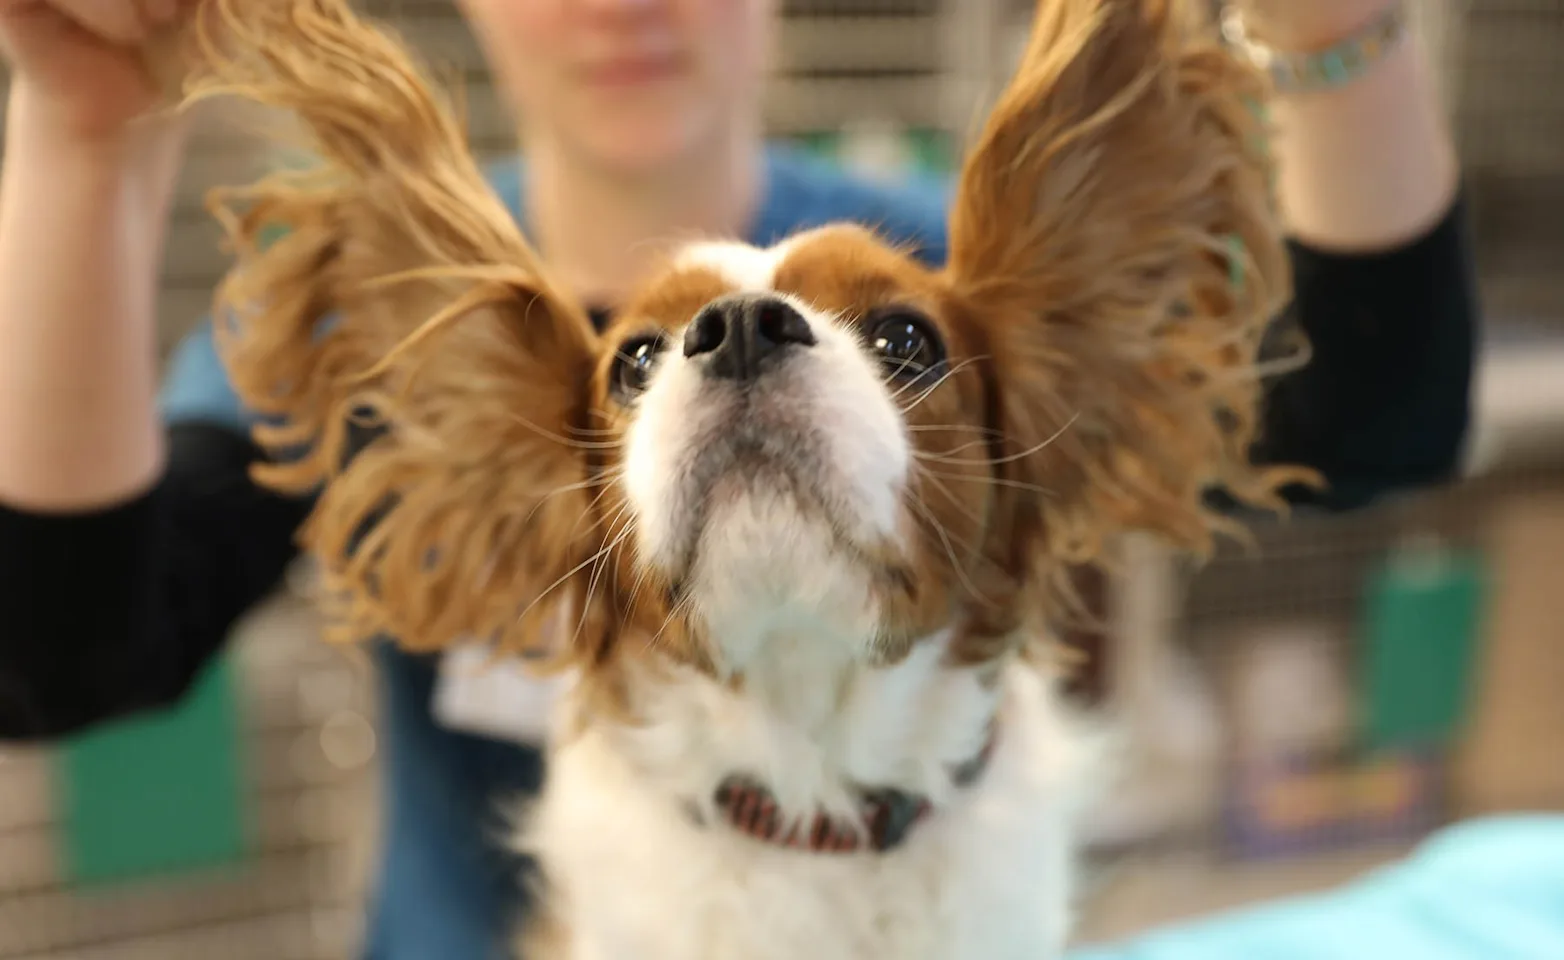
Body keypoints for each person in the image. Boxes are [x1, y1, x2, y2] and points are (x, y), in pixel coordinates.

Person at [0, 0, 1473, 957]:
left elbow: (1371, 424)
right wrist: (79, 131)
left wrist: (1335, 28)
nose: (747, 347)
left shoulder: (948, 247)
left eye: (896, 343)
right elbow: (64, 651)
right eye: (641, 362)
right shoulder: (397, 326)